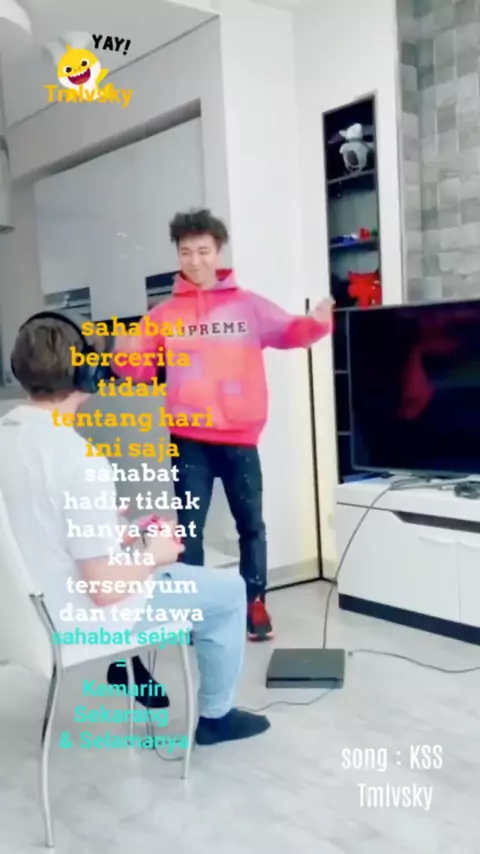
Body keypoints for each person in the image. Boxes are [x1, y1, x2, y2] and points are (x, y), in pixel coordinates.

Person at [0, 312, 269, 745]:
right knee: (227, 591)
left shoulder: (8, 437)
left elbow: (33, 523)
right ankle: (216, 718)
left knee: (162, 569)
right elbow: (104, 589)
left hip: (28, 617)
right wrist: (152, 555)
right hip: (81, 618)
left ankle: (135, 673)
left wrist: (110, 529)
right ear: (87, 373)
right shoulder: (77, 459)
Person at [114, 208, 333, 641]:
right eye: (185, 252)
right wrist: (124, 352)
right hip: (188, 440)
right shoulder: (163, 315)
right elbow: (137, 370)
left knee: (251, 525)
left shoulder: (247, 306)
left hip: (239, 438)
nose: (194, 260)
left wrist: (319, 322)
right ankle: (193, 610)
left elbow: (291, 331)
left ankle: (255, 603)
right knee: (189, 531)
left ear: (218, 252)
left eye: (202, 251)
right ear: (177, 254)